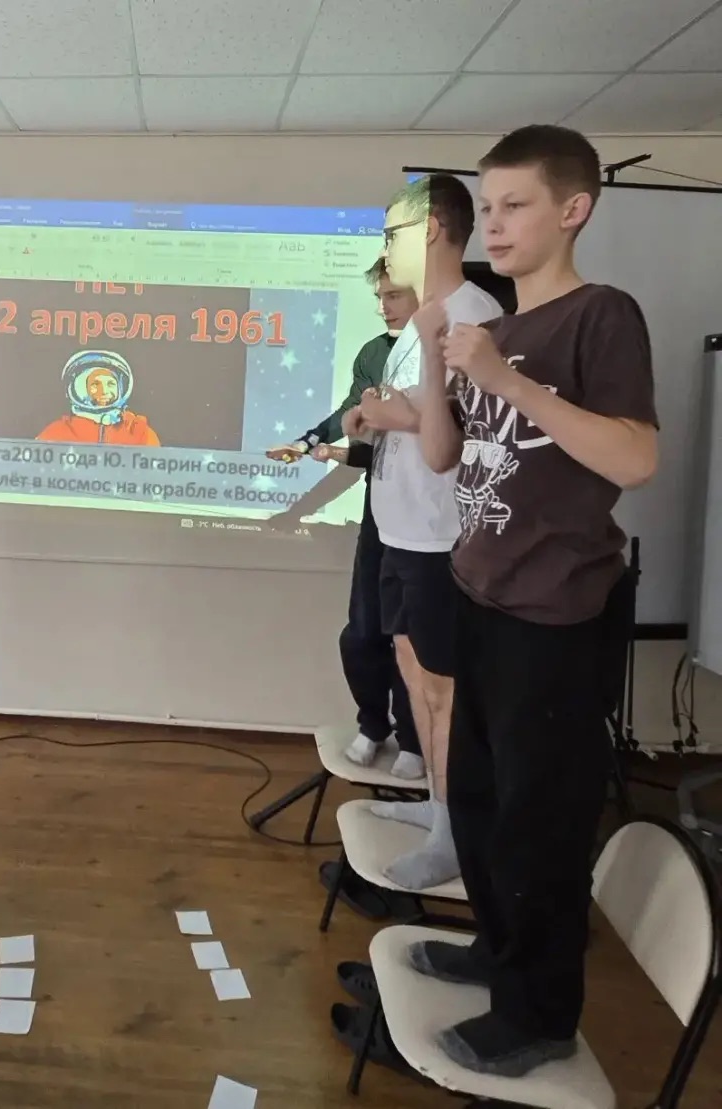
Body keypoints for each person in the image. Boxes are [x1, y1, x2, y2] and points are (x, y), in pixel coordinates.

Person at [410, 125, 657, 1078]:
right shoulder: (496, 334)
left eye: (515, 205)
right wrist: (440, 357)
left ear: (573, 209)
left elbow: (635, 457)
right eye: (488, 207)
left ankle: (540, 1013)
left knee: (540, 820)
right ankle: (496, 949)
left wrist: (504, 379)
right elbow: (444, 456)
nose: (495, 225)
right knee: (478, 797)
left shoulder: (602, 315)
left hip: (556, 613)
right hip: (481, 589)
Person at [343, 174, 503, 891]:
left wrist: (396, 414)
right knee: (412, 672)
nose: (386, 247)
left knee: (445, 691)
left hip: (442, 538)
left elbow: (473, 433)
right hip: (399, 527)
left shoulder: (476, 315)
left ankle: (454, 834)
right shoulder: (418, 322)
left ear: (432, 228)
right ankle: (437, 808)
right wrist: (377, 413)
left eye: (393, 233)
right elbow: (416, 410)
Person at [268, 260, 424, 779]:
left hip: (424, 520)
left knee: (411, 636)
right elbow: (354, 418)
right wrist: (310, 442)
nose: (383, 306)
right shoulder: (375, 353)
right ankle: (372, 725)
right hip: (379, 511)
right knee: (361, 631)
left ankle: (415, 739)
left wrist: (341, 453)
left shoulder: (437, 352)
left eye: (394, 295)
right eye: (380, 296)